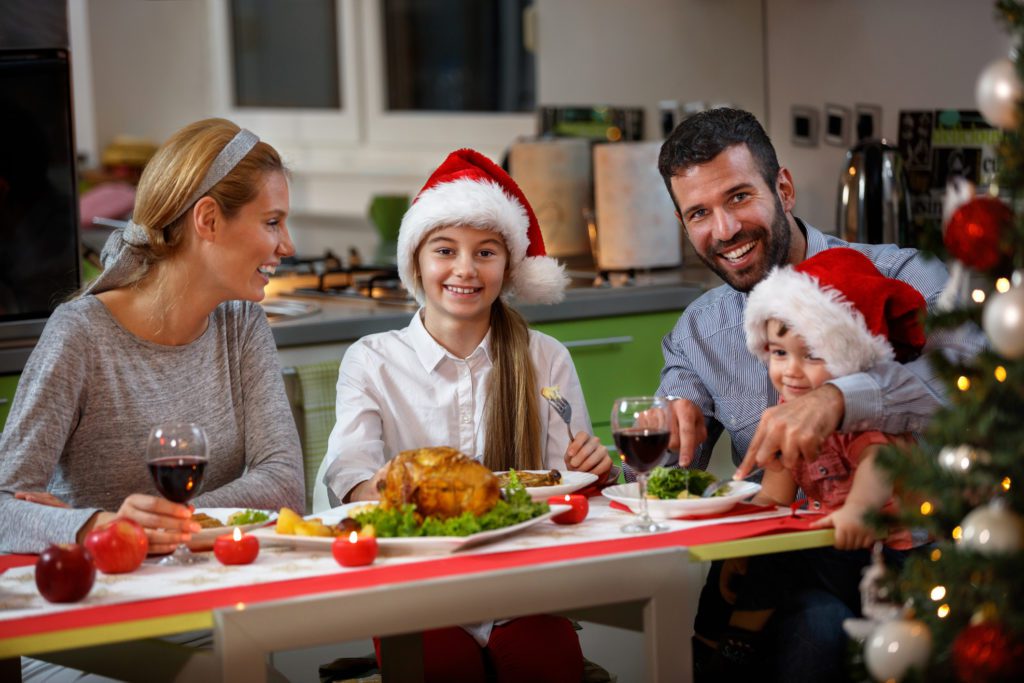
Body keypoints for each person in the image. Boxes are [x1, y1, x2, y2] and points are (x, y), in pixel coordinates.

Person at [655, 108, 984, 680]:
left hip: (912, 552)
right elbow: (672, 468)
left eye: (738, 197)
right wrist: (669, 431)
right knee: (799, 616)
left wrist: (839, 399)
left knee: (815, 625)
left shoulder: (901, 277)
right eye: (699, 213)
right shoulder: (698, 329)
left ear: (783, 187)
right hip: (777, 558)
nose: (725, 230)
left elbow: (970, 383)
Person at [320, 148, 611, 682]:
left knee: (550, 667)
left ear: (508, 265)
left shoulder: (544, 358)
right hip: (415, 587)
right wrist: (391, 487)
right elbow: (350, 473)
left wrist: (592, 473)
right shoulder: (372, 360)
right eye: (445, 250)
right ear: (416, 261)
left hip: (524, 587)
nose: (465, 270)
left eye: (486, 252)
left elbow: (562, 490)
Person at [0, 118, 305, 555]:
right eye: (272, 222)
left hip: (220, 590)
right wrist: (98, 527)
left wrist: (157, 527)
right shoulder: (81, 335)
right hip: (108, 598)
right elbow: (4, 508)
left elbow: (284, 483)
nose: (287, 245)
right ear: (208, 220)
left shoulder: (241, 324)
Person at [692, 247, 929, 678]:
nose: (791, 372)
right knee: (759, 542)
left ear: (851, 358)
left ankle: (734, 645)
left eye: (812, 356)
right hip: (838, 549)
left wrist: (859, 508)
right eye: (780, 353)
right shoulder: (790, 413)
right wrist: (742, 545)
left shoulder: (862, 418)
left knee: (784, 555)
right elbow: (776, 497)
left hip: (889, 558)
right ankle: (715, 646)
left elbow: (881, 461)